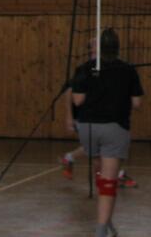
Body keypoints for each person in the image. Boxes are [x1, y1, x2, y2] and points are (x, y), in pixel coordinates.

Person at [71, 27, 144, 237]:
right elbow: (137, 103)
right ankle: (101, 229)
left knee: (100, 174)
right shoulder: (128, 69)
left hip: (88, 128)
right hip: (114, 128)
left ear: (99, 48)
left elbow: (77, 100)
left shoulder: (84, 68)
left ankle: (106, 218)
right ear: (118, 48)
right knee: (109, 182)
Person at [59, 39, 137, 188]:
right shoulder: (85, 68)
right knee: (101, 149)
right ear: (92, 49)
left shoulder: (113, 65)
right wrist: (69, 117)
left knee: (99, 147)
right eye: (95, 43)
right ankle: (114, 176)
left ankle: (69, 158)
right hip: (86, 116)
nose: (99, 44)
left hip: (104, 117)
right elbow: (69, 91)